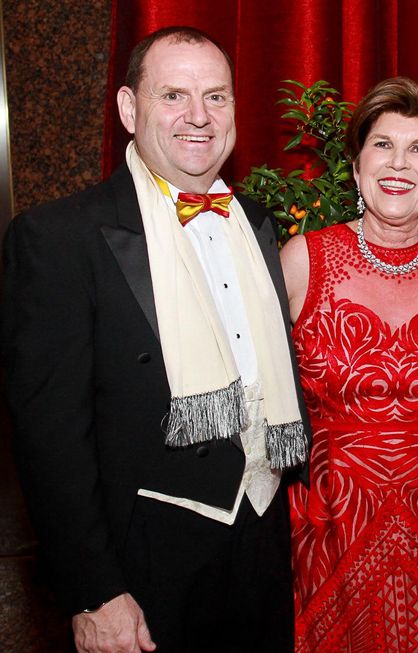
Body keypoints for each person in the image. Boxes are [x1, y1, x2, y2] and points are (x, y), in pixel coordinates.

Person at [1, 26, 308, 653]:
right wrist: (92, 592)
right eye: (174, 95)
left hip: (261, 540)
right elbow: (50, 439)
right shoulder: (58, 238)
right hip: (144, 564)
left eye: (216, 97)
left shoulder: (254, 223)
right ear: (127, 109)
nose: (199, 117)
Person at [282, 76, 418, 653]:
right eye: (382, 144)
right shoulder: (303, 259)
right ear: (356, 164)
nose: (399, 163)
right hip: (331, 533)